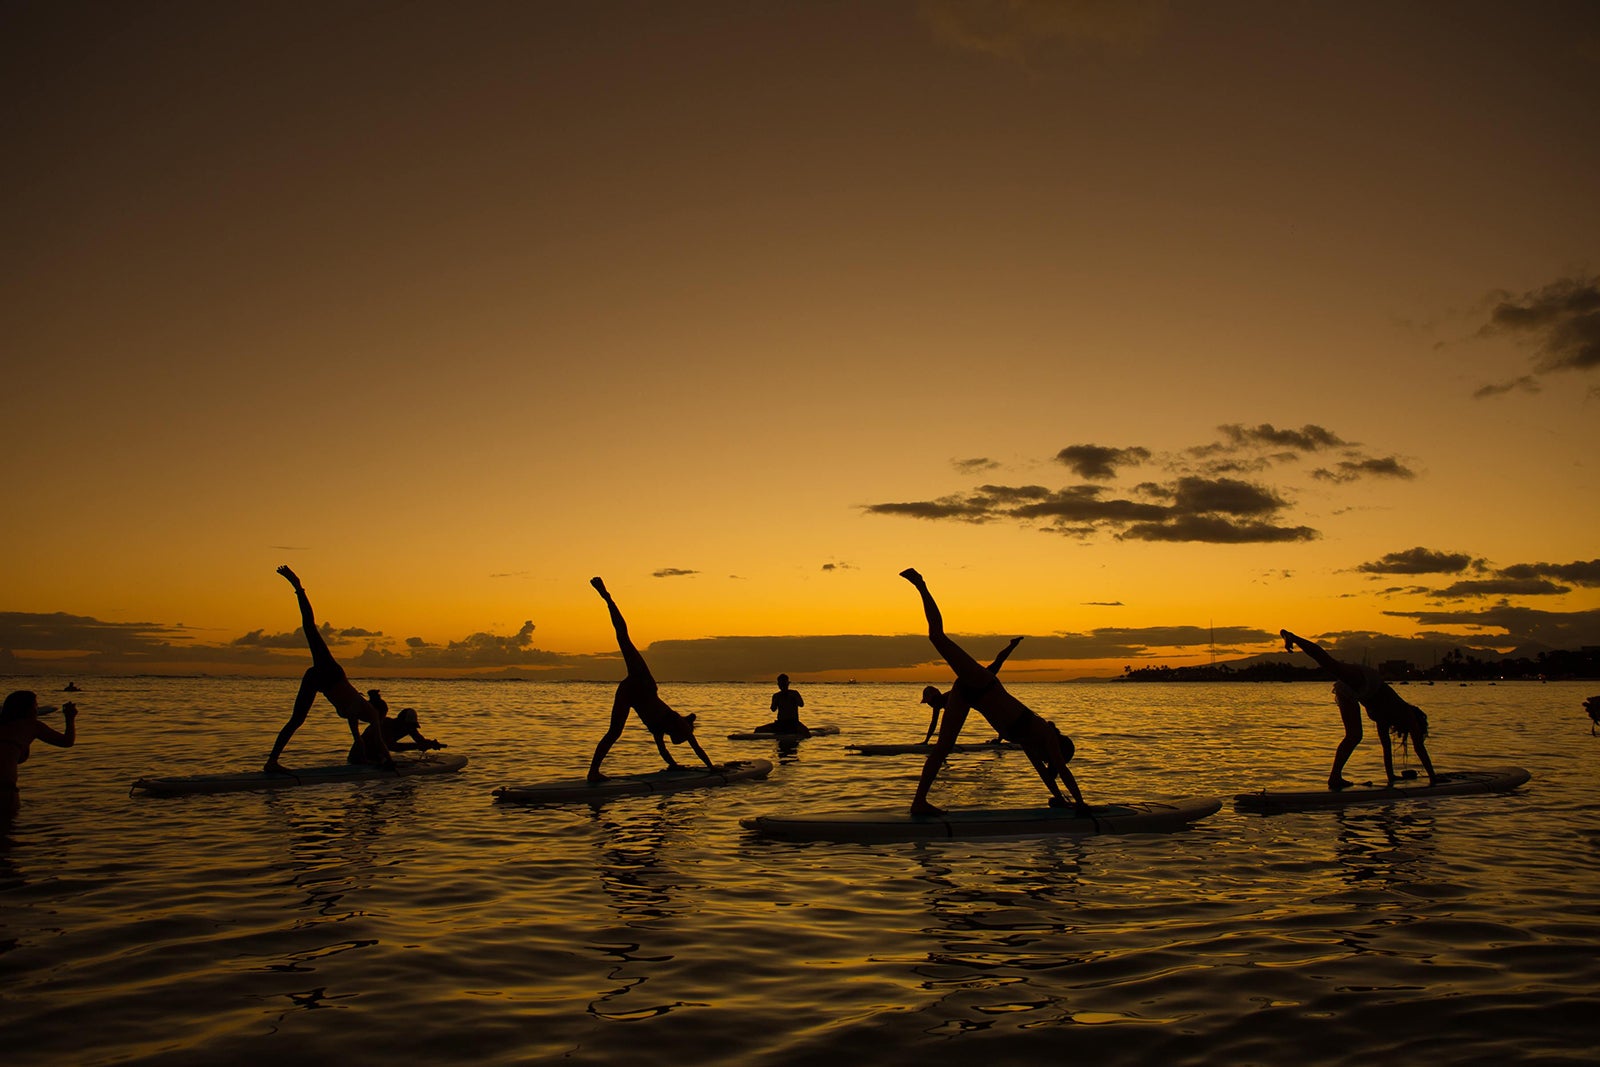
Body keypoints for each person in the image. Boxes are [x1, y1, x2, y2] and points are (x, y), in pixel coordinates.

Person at [899, 568, 1088, 816]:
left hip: (969, 695)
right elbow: (1062, 771)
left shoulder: (1031, 743)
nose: (1048, 762)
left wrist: (1059, 798)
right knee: (937, 637)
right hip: (982, 684)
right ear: (1058, 751)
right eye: (1054, 759)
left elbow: (1045, 774)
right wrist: (1081, 804)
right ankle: (921, 585)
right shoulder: (1045, 733)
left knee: (943, 747)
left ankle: (918, 803)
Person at [587, 577, 718, 782]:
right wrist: (711, 767)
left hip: (629, 693)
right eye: (681, 737)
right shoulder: (681, 725)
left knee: (614, 732)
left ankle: (593, 772)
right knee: (623, 638)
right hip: (642, 683)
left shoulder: (659, 729)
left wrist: (673, 765)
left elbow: (663, 751)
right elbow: (697, 748)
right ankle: (607, 597)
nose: (678, 740)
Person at [265, 565, 393, 774]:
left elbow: (356, 729)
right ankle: (298, 586)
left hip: (317, 679)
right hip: (330, 674)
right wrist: (388, 761)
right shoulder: (370, 713)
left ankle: (271, 762)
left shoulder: (358, 712)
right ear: (378, 712)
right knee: (310, 628)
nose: (380, 721)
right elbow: (378, 740)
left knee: (296, 720)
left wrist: (365, 750)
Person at [1280, 629, 1438, 789]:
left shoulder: (1384, 718)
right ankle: (1293, 637)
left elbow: (1386, 747)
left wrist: (1391, 778)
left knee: (1354, 735)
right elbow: (1419, 747)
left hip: (1350, 692)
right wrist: (1433, 778)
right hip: (1368, 681)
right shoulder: (1407, 713)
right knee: (1331, 664)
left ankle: (1335, 777)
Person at [920, 636, 1023, 743]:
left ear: (934, 699)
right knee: (997, 663)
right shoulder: (940, 703)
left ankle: (1002, 738)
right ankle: (1012, 645)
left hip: (978, 686)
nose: (930, 705)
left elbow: (940, 724)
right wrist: (926, 741)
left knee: (997, 665)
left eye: (929, 702)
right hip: (978, 687)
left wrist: (931, 742)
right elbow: (936, 724)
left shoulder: (944, 701)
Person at [1, 691, 78, 822]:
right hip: (4, 791)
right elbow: (67, 741)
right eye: (36, 705)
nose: (37, 709)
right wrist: (70, 718)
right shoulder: (31, 725)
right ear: (28, 709)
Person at [347, 689, 447, 764]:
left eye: (412, 726)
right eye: (409, 726)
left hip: (376, 757)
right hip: (360, 757)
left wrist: (430, 743)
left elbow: (419, 741)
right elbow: (392, 746)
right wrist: (417, 746)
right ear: (402, 722)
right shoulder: (386, 725)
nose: (411, 729)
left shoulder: (409, 728)